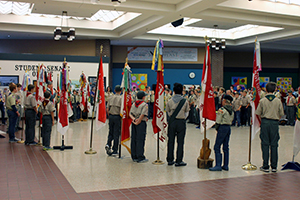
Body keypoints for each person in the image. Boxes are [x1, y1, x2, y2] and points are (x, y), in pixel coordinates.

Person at [255, 82, 284, 173]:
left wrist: (264, 120)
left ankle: (265, 165)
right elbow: (281, 114)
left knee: (265, 144)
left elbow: (258, 113)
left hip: (265, 122)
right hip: (274, 123)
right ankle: (274, 166)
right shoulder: (278, 100)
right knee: (274, 144)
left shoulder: (263, 100)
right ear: (275, 89)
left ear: (266, 90)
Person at [166, 83, 190, 167]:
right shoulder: (185, 101)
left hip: (172, 122)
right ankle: (179, 160)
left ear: (174, 91)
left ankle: (170, 159)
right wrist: (182, 117)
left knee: (170, 141)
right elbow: (187, 112)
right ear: (182, 92)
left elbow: (168, 112)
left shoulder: (169, 100)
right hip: (181, 122)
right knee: (180, 142)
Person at [209, 95, 234, 171]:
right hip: (228, 128)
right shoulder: (231, 110)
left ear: (225, 101)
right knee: (226, 147)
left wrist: (217, 128)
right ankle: (226, 165)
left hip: (222, 128)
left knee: (217, 146)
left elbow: (218, 121)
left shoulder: (222, 110)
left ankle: (218, 165)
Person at [129, 91, 148, 163]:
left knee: (134, 138)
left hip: (134, 122)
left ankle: (134, 156)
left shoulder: (134, 104)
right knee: (140, 139)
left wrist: (134, 119)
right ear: (143, 97)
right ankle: (140, 156)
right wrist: (138, 121)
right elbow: (143, 114)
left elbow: (130, 113)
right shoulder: (144, 105)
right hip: (141, 123)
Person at [105, 85, 122, 156]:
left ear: (114, 91)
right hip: (117, 117)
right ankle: (115, 150)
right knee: (116, 134)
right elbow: (122, 110)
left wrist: (109, 115)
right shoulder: (121, 99)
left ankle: (108, 144)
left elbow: (107, 108)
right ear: (120, 91)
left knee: (110, 131)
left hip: (111, 116)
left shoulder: (110, 98)